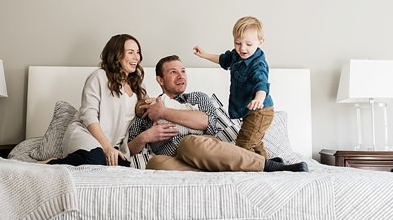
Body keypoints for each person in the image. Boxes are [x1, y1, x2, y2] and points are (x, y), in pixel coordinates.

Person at [129, 55, 306, 172]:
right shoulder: (147, 107)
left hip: (202, 148)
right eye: (173, 72)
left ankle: (268, 165)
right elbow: (129, 149)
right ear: (160, 79)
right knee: (155, 163)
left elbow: (206, 122)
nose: (181, 76)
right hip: (174, 160)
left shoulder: (197, 97)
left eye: (183, 71)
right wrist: (146, 137)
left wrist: (164, 112)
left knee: (187, 144)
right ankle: (230, 169)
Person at [44, 34, 145, 167]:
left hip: (113, 145)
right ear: (117, 55)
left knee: (123, 166)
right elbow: (88, 115)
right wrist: (107, 148)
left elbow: (143, 110)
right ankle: (52, 163)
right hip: (87, 135)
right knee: (96, 159)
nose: (136, 57)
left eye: (137, 52)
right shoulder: (99, 77)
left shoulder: (137, 85)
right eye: (130, 52)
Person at [194, 16, 278, 158]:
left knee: (243, 145)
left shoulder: (258, 64)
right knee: (254, 142)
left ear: (260, 42)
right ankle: (267, 164)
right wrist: (205, 55)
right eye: (237, 43)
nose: (242, 48)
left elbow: (262, 83)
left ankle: (253, 167)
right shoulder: (236, 55)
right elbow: (223, 59)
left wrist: (259, 98)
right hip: (248, 111)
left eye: (248, 44)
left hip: (261, 111)